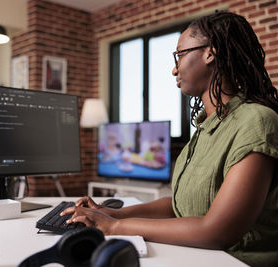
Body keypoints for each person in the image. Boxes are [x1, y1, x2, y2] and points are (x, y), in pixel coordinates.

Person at [61, 11, 278, 267]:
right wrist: (110, 213)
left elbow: (218, 231)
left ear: (210, 53)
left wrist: (116, 226)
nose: (174, 68)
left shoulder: (256, 121)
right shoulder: (204, 130)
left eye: (180, 55)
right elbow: (178, 207)